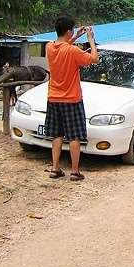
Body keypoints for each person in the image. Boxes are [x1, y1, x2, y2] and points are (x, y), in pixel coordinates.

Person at [45, 15, 99, 181]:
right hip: (71, 99)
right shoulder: (73, 51)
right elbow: (94, 59)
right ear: (68, 31)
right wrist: (90, 40)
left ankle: (55, 168)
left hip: (53, 97)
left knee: (57, 135)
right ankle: (75, 171)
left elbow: (63, 46)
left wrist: (75, 37)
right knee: (74, 136)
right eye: (73, 30)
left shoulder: (49, 47)